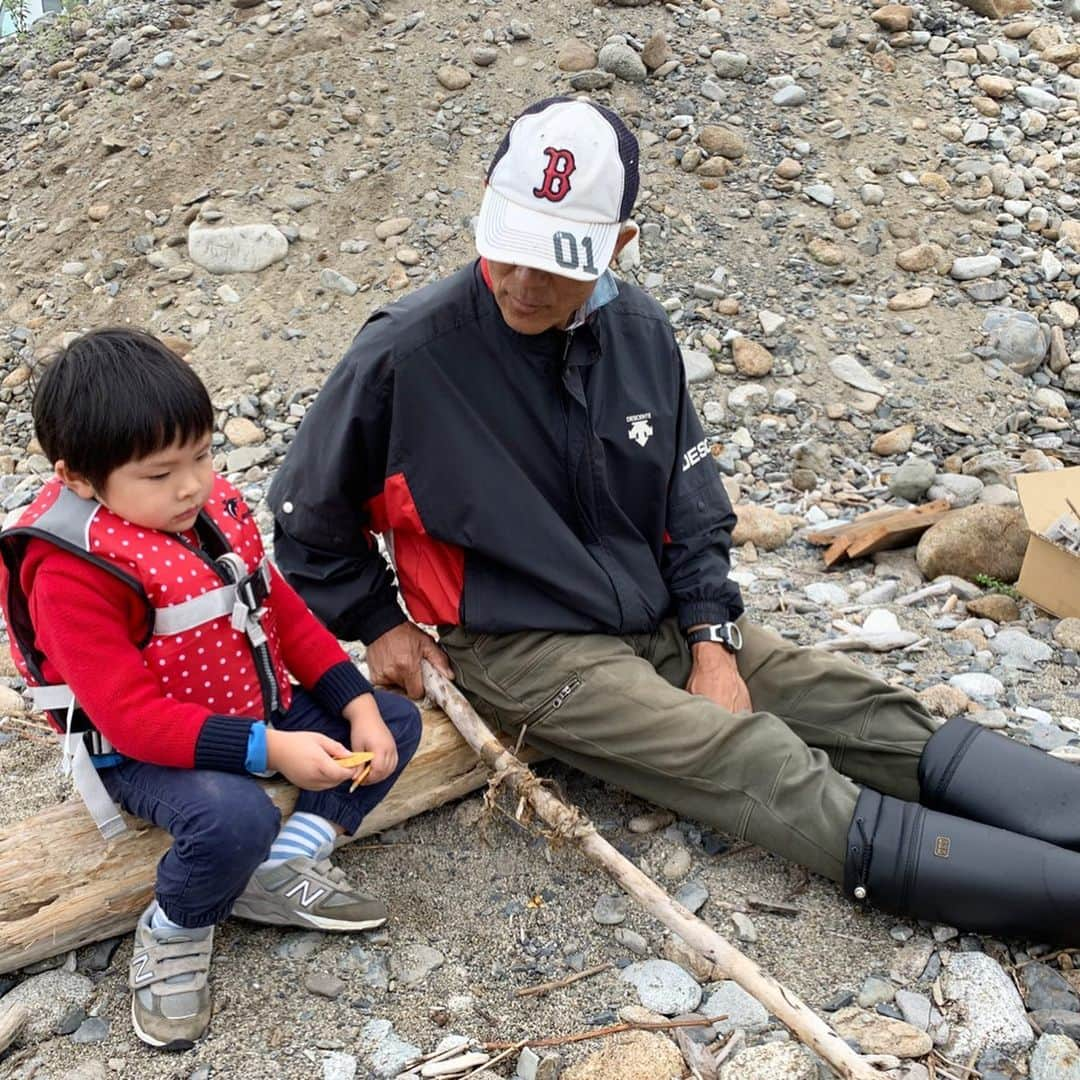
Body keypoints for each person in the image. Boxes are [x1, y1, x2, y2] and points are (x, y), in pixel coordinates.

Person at [269, 96, 1080, 946]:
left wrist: (710, 640)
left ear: (617, 244)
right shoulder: (408, 354)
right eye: (508, 247)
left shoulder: (641, 332)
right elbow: (304, 512)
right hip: (520, 644)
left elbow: (692, 508)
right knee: (750, 759)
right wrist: (377, 622)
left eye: (556, 260)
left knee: (861, 708)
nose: (522, 282)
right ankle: (1058, 896)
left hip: (653, 611)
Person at [0, 329, 422, 1051]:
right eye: (161, 473)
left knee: (393, 723)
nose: (193, 485)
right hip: (147, 748)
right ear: (77, 478)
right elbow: (129, 719)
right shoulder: (72, 573)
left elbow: (278, 611)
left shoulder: (201, 509)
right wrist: (270, 750)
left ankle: (285, 865)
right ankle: (175, 929)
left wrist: (353, 702)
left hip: (252, 703)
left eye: (201, 455)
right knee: (234, 818)